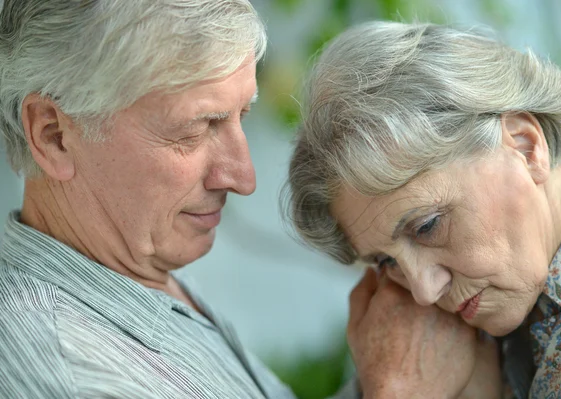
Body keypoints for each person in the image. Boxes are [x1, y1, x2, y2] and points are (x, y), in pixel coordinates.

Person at [0, 2, 483, 398]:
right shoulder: (67, 367)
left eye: (241, 116)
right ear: (53, 134)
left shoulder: (134, 273)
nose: (243, 177)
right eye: (197, 128)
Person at [285, 20, 561, 399]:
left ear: (525, 146)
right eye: (387, 262)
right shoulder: (431, 333)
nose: (424, 292)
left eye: (428, 226)